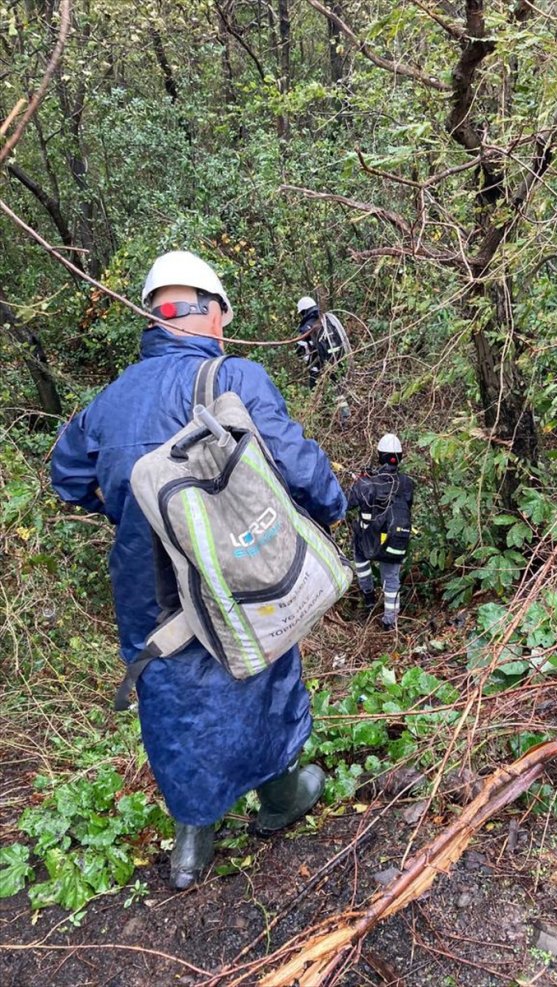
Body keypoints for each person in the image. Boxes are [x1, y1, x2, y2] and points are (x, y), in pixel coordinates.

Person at [51, 250, 346, 890]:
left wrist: (126, 508)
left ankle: (193, 842)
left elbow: (67, 478)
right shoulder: (233, 376)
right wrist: (332, 506)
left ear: (155, 318)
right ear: (210, 313)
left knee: (174, 699)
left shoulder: (106, 405)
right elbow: (297, 466)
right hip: (235, 572)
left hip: (148, 594)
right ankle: (281, 797)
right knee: (259, 672)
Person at [347, 434, 414, 629]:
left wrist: (360, 483)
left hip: (369, 541)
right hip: (394, 539)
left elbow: (346, 504)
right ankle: (390, 622)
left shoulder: (365, 483)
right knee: (391, 579)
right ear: (399, 456)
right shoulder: (408, 483)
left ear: (380, 456)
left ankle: (368, 598)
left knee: (360, 558)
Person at [295, 295, 351, 422]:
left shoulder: (307, 327)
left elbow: (301, 350)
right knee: (338, 389)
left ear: (303, 311)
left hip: (320, 365)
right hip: (337, 359)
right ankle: (344, 416)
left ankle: (316, 418)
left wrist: (308, 362)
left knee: (314, 390)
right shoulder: (327, 320)